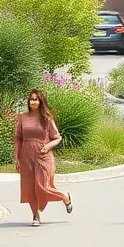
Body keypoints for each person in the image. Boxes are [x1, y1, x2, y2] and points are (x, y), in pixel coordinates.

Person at [14, 89, 73, 226]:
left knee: (42, 186)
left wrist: (47, 147)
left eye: (36, 99)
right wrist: (16, 158)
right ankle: (35, 216)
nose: (33, 101)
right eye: (31, 99)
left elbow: (57, 138)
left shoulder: (47, 118)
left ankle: (64, 196)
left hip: (43, 155)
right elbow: (18, 138)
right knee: (29, 188)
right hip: (25, 154)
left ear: (41, 101)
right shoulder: (22, 117)